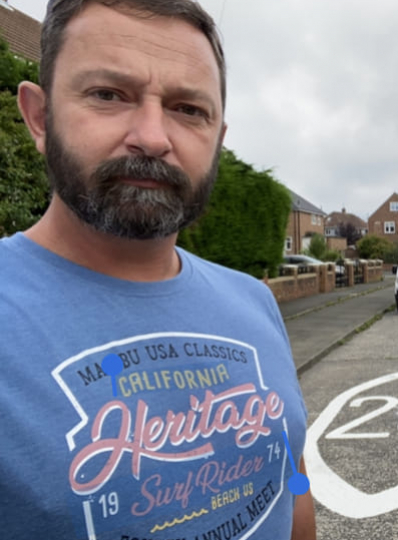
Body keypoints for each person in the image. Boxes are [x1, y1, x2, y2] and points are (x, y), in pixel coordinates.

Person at [1, 1, 316, 538]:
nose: (152, 136)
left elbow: (291, 482)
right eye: (108, 95)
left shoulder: (253, 301)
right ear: (39, 116)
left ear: (217, 139)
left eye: (188, 109)